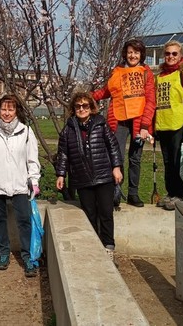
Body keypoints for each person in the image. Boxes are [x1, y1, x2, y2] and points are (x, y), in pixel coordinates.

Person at [0, 94, 41, 277]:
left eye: (11, 109)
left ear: (17, 110)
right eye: (4, 109)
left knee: (24, 221)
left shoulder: (26, 131)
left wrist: (34, 181)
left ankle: (27, 257)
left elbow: (32, 160)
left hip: (19, 184)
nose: (7, 113)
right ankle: (4, 253)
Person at [55, 92, 123, 263]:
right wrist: (61, 174)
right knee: (89, 214)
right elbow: (63, 153)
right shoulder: (68, 129)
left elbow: (113, 146)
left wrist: (116, 167)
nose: (82, 109)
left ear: (91, 108)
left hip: (103, 176)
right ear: (73, 109)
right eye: (78, 106)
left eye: (85, 106)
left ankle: (108, 247)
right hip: (82, 178)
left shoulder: (101, 124)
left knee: (106, 213)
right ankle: (93, 247)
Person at [92, 39, 156, 207]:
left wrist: (145, 126)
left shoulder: (146, 73)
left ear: (141, 54)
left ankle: (133, 193)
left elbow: (150, 100)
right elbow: (108, 91)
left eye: (136, 52)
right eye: (129, 52)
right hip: (119, 120)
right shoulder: (118, 72)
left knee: (135, 158)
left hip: (138, 122)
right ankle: (116, 192)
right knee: (116, 157)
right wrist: (92, 96)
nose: (132, 55)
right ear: (125, 54)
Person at [154, 40, 183, 210]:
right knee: (167, 162)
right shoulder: (159, 76)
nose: (170, 57)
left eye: (174, 53)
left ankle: (180, 195)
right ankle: (170, 193)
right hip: (163, 125)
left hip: (178, 124)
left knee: (177, 161)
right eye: (167, 53)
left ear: (180, 55)